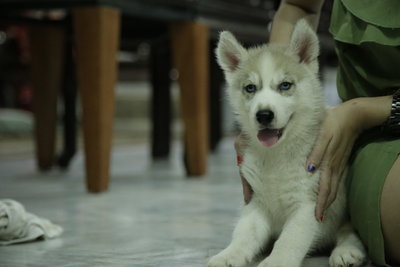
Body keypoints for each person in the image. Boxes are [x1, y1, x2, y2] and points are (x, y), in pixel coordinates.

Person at [234, 0, 400, 266]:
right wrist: (277, 71)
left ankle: (348, 233)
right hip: (375, 132)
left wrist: (359, 112)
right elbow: (299, 6)